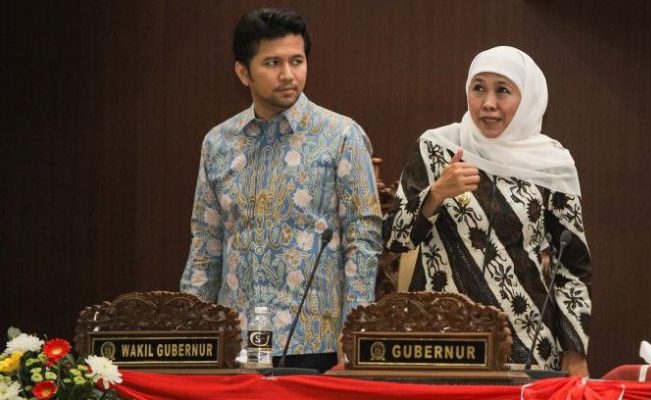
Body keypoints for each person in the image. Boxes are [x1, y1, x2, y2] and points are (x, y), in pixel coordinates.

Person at [180, 7, 382, 373]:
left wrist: (354, 334)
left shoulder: (340, 136)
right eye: (273, 63)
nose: (288, 74)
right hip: (240, 339)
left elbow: (363, 242)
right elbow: (206, 246)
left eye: (297, 61)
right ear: (243, 72)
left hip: (315, 340)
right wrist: (192, 335)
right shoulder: (218, 144)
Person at [383, 46, 591, 376]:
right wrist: (435, 194)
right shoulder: (436, 148)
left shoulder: (552, 164)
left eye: (503, 90)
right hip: (438, 340)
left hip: (524, 342)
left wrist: (574, 349)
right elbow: (393, 240)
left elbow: (573, 267)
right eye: (478, 88)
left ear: (528, 98)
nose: (488, 103)